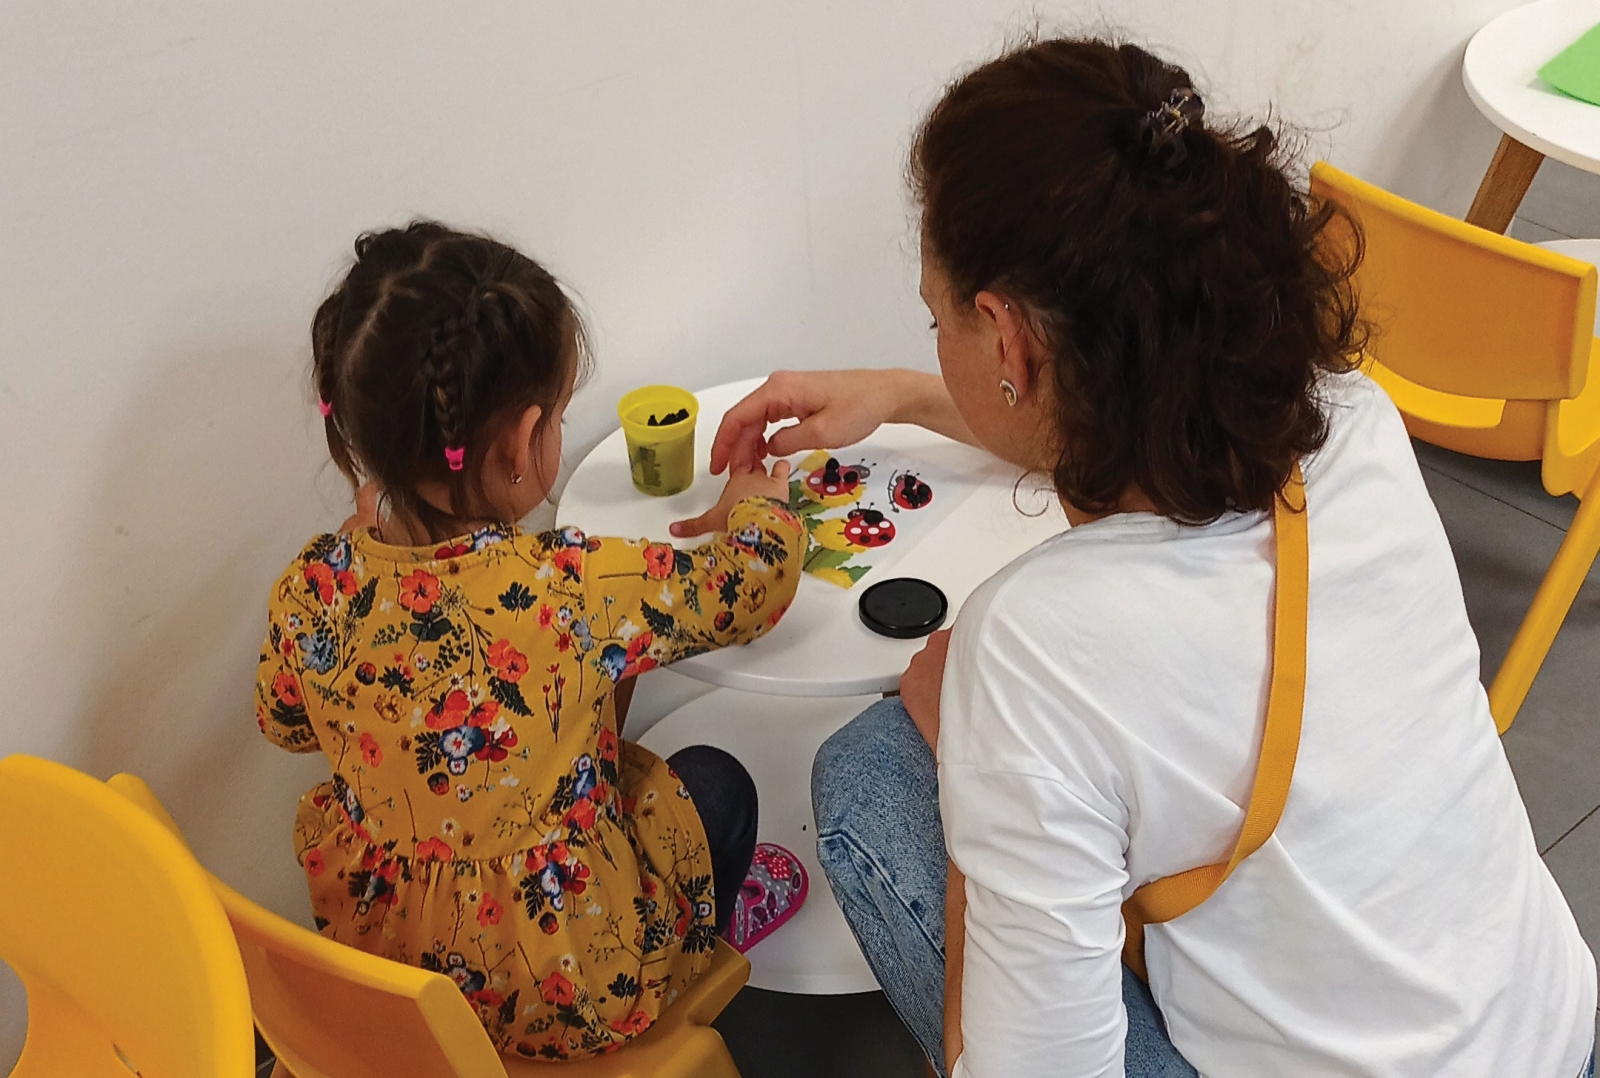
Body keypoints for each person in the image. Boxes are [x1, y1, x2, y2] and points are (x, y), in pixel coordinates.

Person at [682, 37, 1597, 1078]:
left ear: (1008, 340)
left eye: (935, 318)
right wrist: (901, 396)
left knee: (869, 769)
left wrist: (971, 770)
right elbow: (1120, 409)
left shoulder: (1034, 646)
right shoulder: (1350, 421)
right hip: (1552, 1031)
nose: (931, 336)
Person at [255, 222, 806, 1060]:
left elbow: (285, 721)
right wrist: (760, 502)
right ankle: (690, 958)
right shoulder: (566, 587)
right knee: (717, 784)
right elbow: (750, 587)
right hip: (568, 987)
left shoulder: (314, 586)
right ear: (521, 442)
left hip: (393, 973)